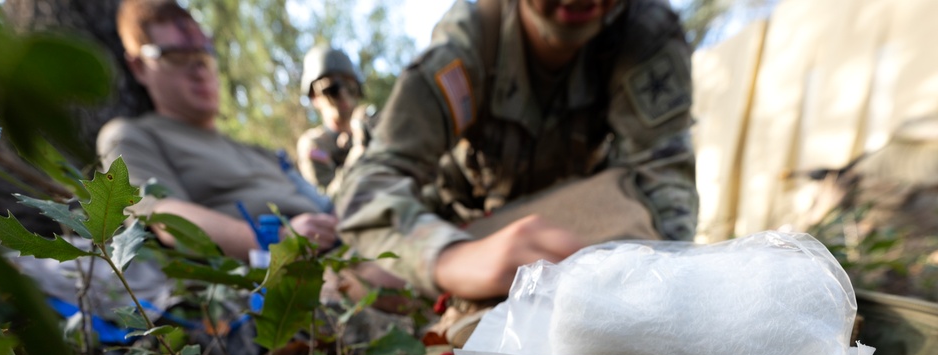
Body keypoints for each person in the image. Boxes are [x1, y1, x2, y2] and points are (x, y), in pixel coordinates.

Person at [335, 0, 698, 302]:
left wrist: (669, 291)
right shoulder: (472, 40)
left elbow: (663, 181)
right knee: (358, 280)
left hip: (571, 225)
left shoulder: (642, 33)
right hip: (460, 227)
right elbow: (368, 186)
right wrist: (450, 256)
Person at [97, 0, 338, 261]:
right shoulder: (131, 136)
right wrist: (278, 240)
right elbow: (163, 217)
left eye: (204, 55)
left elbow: (324, 204)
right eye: (176, 56)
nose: (199, 71)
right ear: (139, 66)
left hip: (343, 246)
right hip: (286, 269)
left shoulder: (261, 152)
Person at [296, 45, 364, 195]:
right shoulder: (314, 144)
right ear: (314, 97)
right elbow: (326, 200)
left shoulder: (372, 132)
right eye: (331, 89)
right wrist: (358, 155)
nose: (343, 94)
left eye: (350, 86)